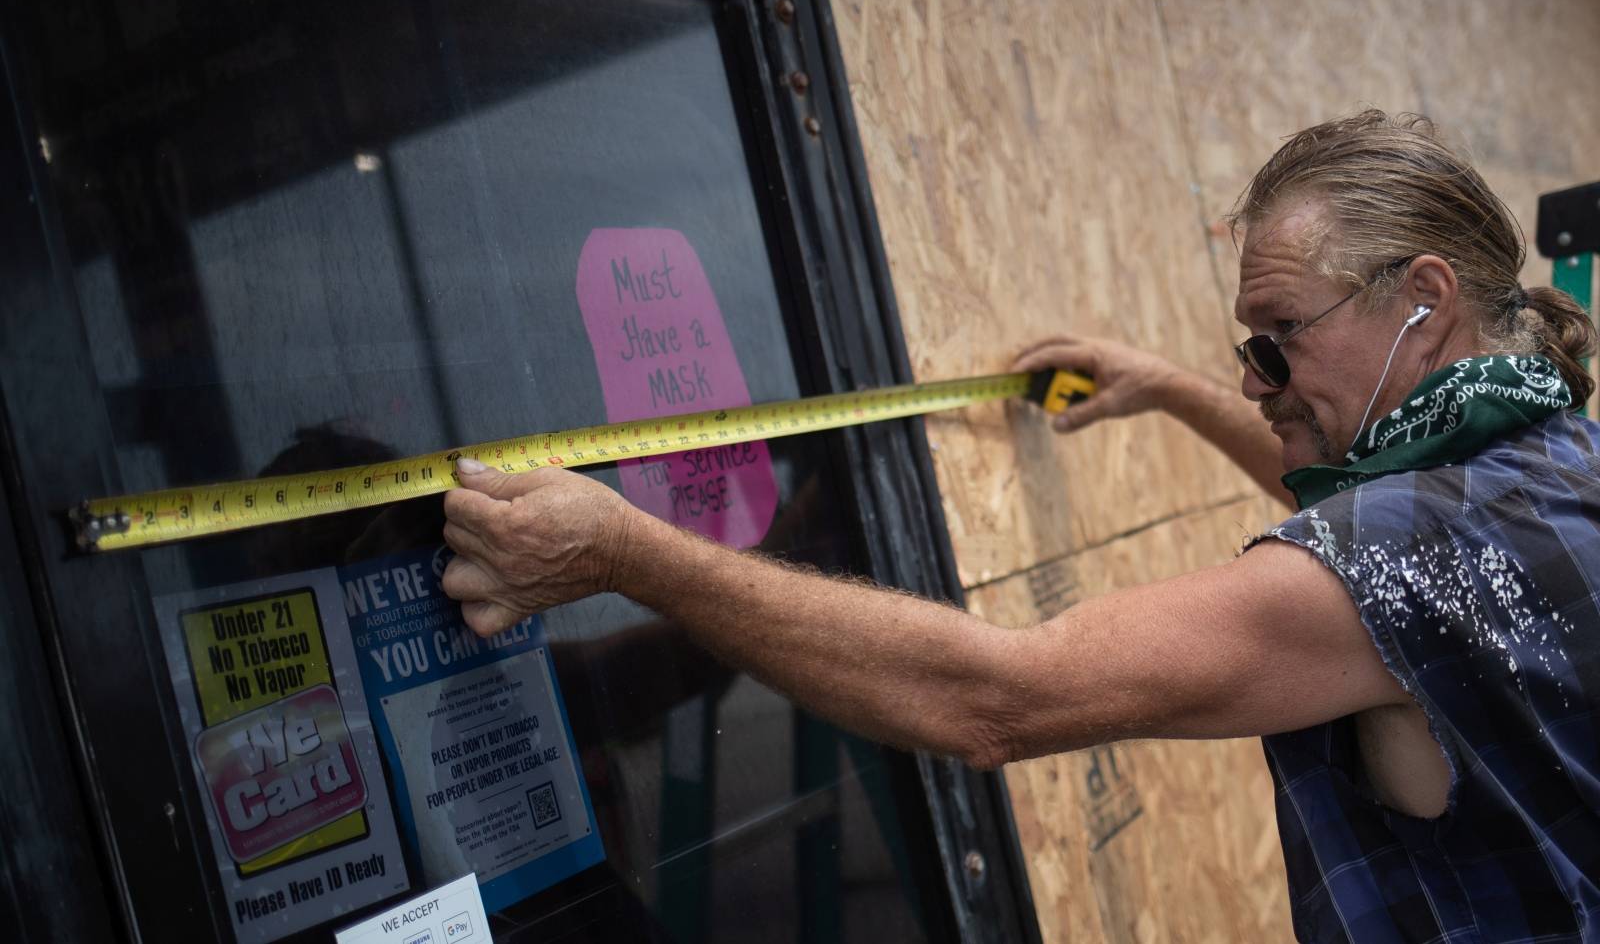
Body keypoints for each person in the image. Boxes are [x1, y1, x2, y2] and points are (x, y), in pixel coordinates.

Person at [438, 110, 1600, 942]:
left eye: (1275, 335)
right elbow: (1384, 521)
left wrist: (621, 550)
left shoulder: (1392, 565)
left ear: (1425, 298)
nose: (1256, 378)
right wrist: (1171, 389)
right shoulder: (1550, 464)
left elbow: (995, 699)